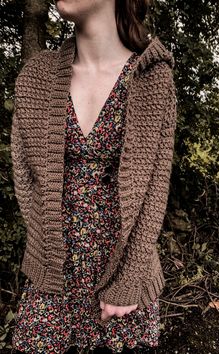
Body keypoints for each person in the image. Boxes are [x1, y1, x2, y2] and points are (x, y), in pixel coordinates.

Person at [10, 0, 177, 353]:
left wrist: (130, 280)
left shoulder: (152, 76)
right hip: (52, 273)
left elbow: (154, 188)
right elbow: (25, 176)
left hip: (123, 280)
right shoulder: (36, 78)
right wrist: (43, 252)